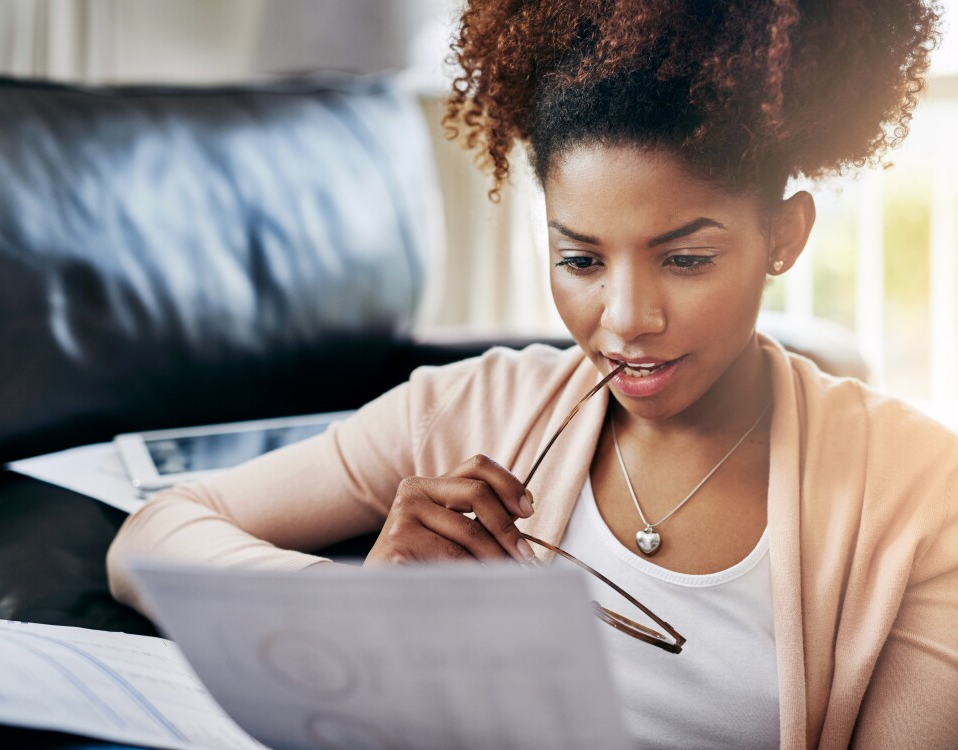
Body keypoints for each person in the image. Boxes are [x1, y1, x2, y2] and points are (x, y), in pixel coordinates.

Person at [108, 1, 957, 747]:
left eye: (687, 258)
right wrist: (353, 608)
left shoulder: (919, 495)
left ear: (785, 236)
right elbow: (154, 535)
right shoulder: (470, 410)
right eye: (581, 259)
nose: (625, 318)